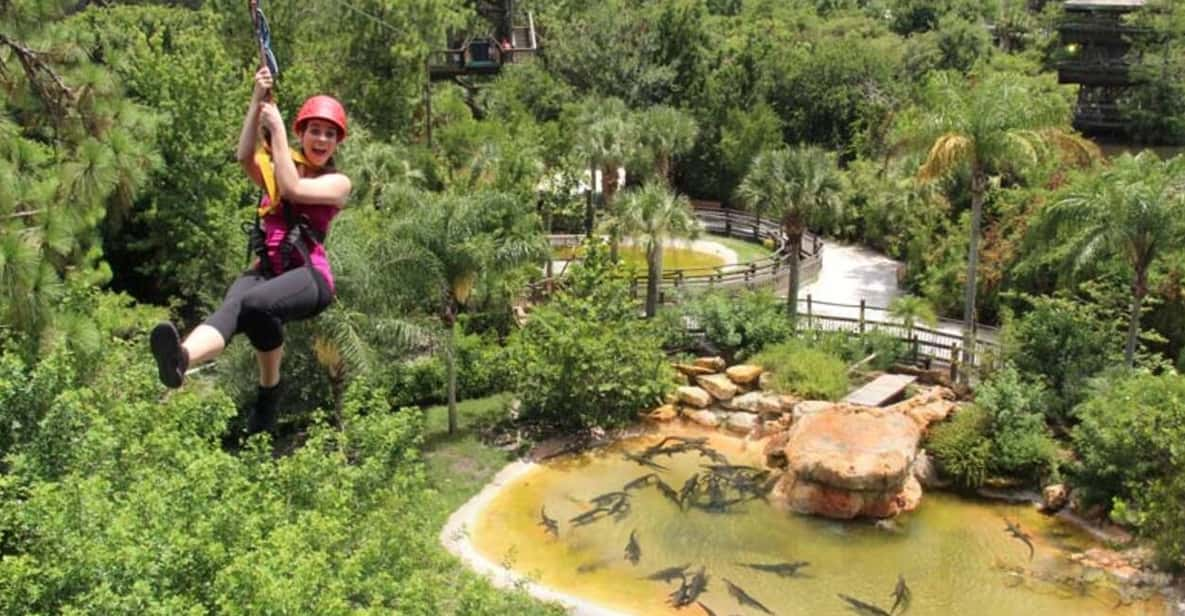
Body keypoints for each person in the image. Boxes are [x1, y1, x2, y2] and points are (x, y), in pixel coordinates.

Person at [149, 66, 351, 436]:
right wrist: (257, 100)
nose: (321, 139)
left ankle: (270, 391)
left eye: (329, 134)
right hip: (268, 269)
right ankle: (181, 359)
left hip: (310, 277)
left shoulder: (337, 183)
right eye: (314, 131)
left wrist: (274, 134)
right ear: (302, 134)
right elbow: (244, 154)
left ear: (336, 143)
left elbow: (292, 190)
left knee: (257, 304)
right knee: (234, 308)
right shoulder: (282, 163)